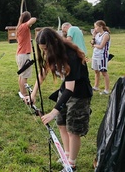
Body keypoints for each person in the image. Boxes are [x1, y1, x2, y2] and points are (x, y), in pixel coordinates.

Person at [28, 28, 92, 171]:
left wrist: (53, 112)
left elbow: (71, 88)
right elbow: (43, 73)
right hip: (65, 92)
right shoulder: (52, 53)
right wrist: (33, 94)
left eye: (46, 49)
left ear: (53, 44)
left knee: (73, 129)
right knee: (62, 124)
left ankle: (72, 163)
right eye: (42, 50)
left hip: (79, 95)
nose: (45, 52)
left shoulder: (71, 55)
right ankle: (66, 155)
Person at [16, 11, 36, 97]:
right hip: (24, 54)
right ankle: (24, 94)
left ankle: (22, 92)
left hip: (21, 54)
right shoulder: (24, 26)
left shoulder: (20, 27)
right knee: (24, 76)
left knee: (22, 75)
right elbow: (34, 19)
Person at [90, 20, 111, 95]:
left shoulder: (106, 35)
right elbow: (92, 43)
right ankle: (96, 86)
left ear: (101, 26)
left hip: (102, 56)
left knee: (104, 72)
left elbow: (101, 46)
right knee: (96, 71)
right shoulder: (97, 34)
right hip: (95, 55)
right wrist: (93, 36)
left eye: (96, 27)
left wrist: (94, 45)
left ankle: (107, 89)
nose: (95, 28)